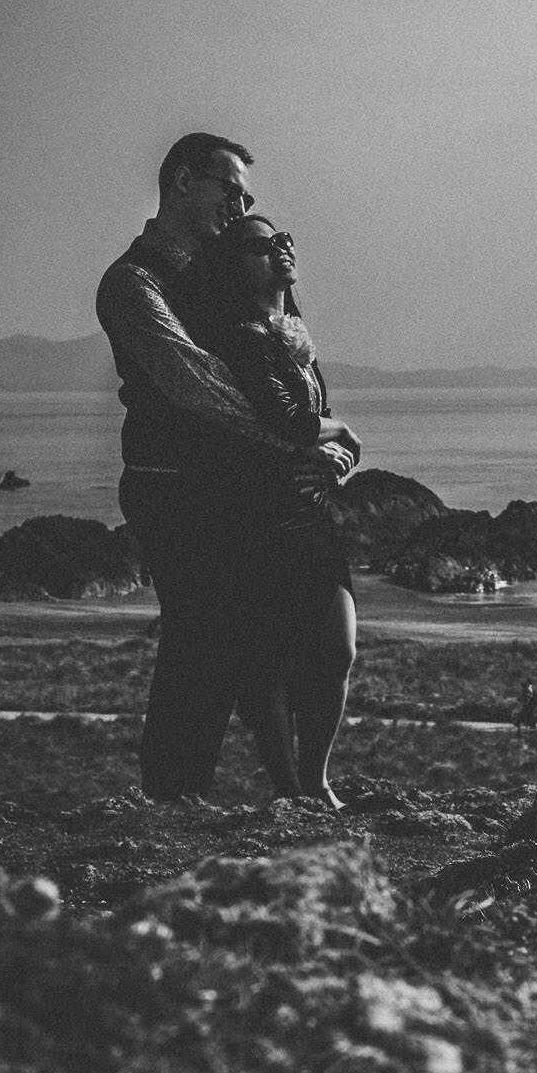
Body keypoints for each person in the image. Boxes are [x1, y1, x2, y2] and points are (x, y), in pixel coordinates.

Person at [96, 133, 356, 800]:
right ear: (184, 181)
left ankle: (212, 797)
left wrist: (281, 291)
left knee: (241, 642)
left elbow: (289, 373)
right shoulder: (134, 283)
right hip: (170, 488)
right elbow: (202, 385)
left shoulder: (227, 275)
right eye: (230, 189)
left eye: (246, 197)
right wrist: (303, 442)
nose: (240, 205)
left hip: (232, 488)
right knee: (202, 639)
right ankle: (175, 798)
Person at [194, 212, 361, 806]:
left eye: (285, 240)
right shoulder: (243, 334)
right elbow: (291, 420)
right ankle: (295, 789)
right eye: (264, 245)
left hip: (311, 509)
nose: (281, 250)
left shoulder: (292, 329)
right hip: (261, 514)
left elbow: (315, 421)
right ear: (237, 265)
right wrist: (346, 434)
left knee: (338, 650)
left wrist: (339, 455)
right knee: (272, 663)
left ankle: (315, 779)